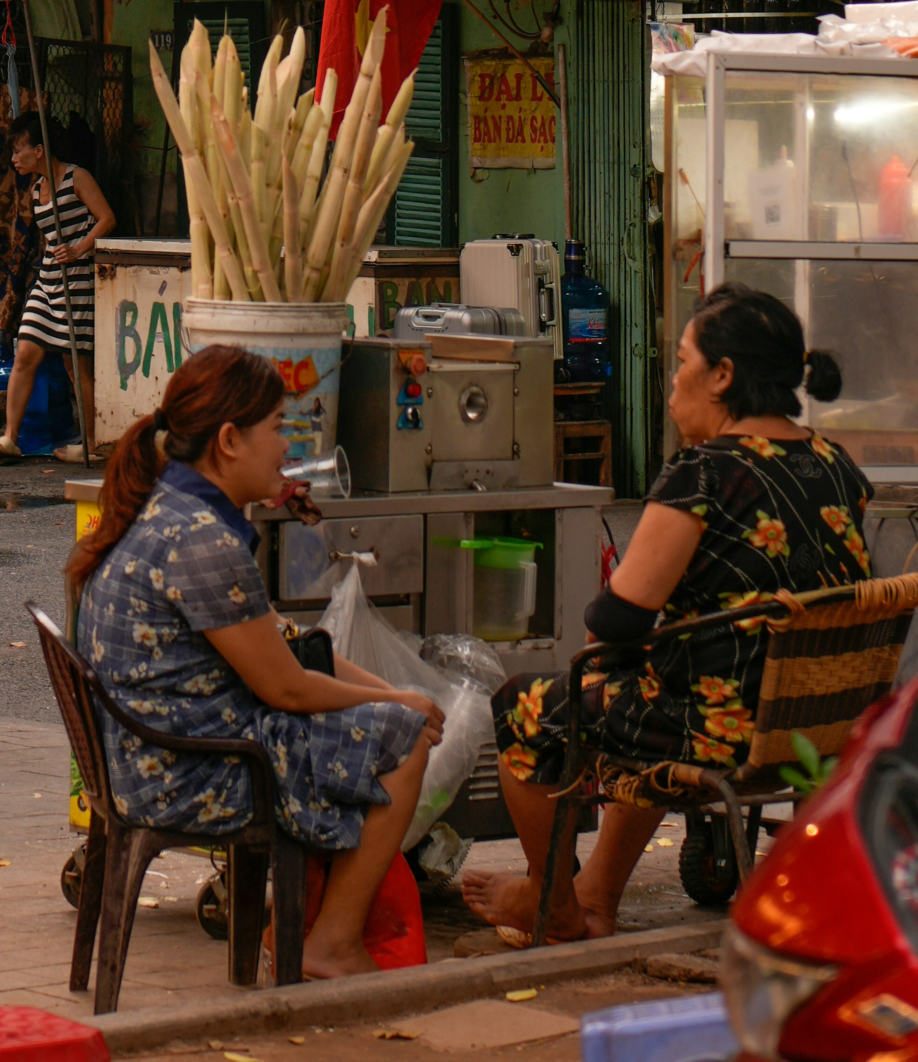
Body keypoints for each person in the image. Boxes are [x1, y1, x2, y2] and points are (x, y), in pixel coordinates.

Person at [461, 283, 871, 947]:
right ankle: (594, 896)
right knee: (640, 689)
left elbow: (617, 618)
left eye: (681, 362)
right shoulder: (836, 464)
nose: (672, 380)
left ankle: (550, 898)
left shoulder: (703, 473)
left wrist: (615, 640)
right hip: (817, 724)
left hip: (721, 732)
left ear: (721, 376)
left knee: (526, 703)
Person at [70, 344, 441, 978]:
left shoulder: (171, 509)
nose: (290, 448)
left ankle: (310, 932)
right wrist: (395, 706)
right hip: (189, 773)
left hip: (150, 755)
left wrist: (386, 692)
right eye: (278, 429)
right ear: (229, 441)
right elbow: (289, 689)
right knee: (404, 744)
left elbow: (284, 641)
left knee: (391, 721)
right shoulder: (204, 540)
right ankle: (331, 943)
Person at [0, 111, 114, 461]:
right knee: (26, 350)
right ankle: (9, 437)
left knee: (76, 364)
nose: (14, 158)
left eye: (19, 150)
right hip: (49, 279)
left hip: (79, 278)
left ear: (39, 150)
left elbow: (107, 219)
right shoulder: (37, 188)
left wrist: (78, 248)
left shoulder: (77, 177)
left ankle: (90, 443)